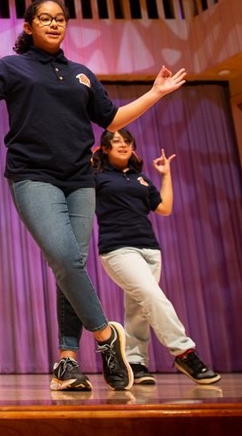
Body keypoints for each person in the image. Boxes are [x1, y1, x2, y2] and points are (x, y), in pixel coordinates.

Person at [0, 0, 186, 391]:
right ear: (28, 27)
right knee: (64, 257)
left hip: (80, 180)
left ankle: (67, 363)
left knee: (70, 267)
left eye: (60, 19)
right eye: (45, 18)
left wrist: (156, 93)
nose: (54, 24)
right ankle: (105, 338)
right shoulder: (14, 67)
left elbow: (111, 119)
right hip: (33, 176)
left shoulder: (81, 74)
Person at [91, 129, 220, 386]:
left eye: (127, 141)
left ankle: (136, 363)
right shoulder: (96, 177)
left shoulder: (142, 180)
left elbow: (164, 208)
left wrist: (165, 176)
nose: (123, 144)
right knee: (152, 296)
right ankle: (184, 351)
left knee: (139, 308)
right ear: (104, 149)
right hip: (118, 249)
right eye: (116, 141)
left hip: (150, 249)